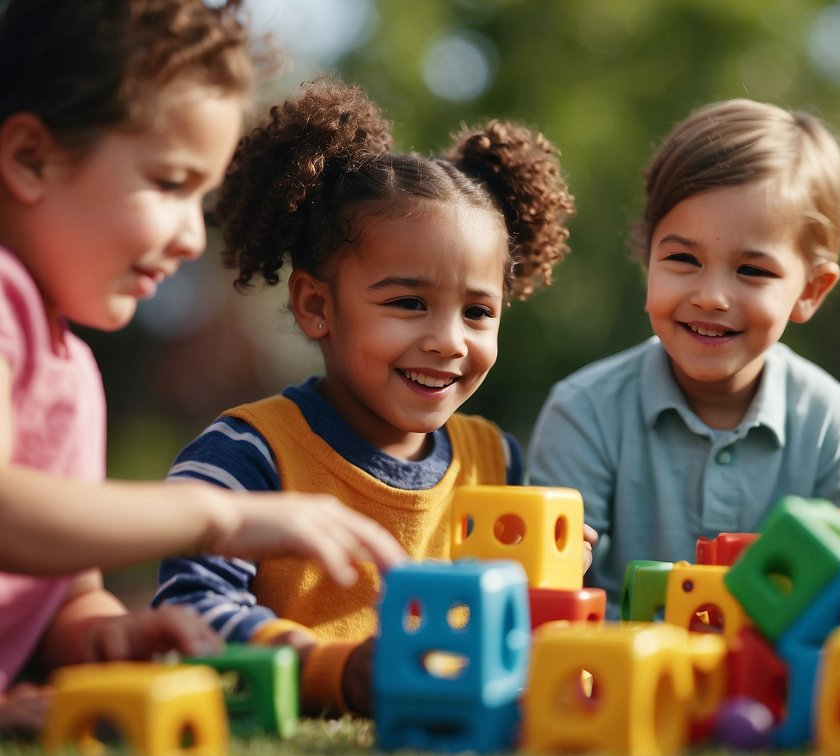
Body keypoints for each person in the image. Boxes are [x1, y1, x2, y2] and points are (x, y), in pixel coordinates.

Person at [0, 0, 409, 733]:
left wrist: (100, 633)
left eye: (204, 198)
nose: (193, 237)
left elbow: (59, 593)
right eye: (167, 184)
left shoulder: (70, 370)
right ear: (30, 158)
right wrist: (220, 515)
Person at [153, 78, 578, 716]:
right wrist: (335, 670)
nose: (448, 342)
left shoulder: (500, 464)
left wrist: (557, 583)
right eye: (409, 304)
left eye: (478, 313)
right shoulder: (246, 454)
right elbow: (186, 614)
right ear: (316, 305)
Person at [527, 99, 840, 616]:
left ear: (811, 291)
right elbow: (553, 594)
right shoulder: (584, 413)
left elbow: (836, 603)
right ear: (647, 257)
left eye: (752, 271)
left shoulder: (831, 425)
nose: (711, 296)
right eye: (683, 259)